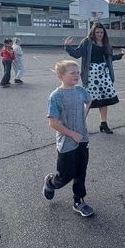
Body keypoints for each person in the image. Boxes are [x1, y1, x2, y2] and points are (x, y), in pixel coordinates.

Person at [43, 59, 94, 217]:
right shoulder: (56, 96)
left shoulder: (80, 90)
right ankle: (50, 182)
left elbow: (89, 100)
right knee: (66, 175)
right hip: (66, 142)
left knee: (81, 171)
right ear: (61, 76)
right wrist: (72, 134)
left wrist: (83, 117)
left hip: (83, 139)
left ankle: (79, 201)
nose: (77, 75)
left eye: (78, 73)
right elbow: (52, 122)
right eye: (72, 73)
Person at [64, 22, 125, 133]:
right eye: (97, 32)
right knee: (88, 100)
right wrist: (68, 46)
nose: (99, 34)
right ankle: (79, 126)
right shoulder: (87, 42)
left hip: (103, 74)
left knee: (104, 100)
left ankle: (103, 123)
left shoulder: (105, 43)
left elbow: (110, 58)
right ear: (93, 32)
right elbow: (77, 54)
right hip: (91, 74)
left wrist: (121, 54)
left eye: (101, 32)